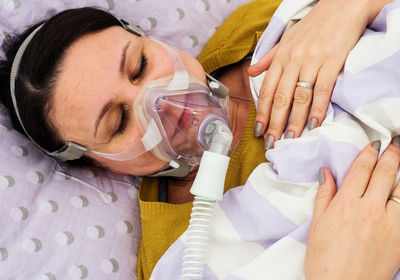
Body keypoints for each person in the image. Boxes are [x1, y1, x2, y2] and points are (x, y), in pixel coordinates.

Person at [0, 0, 398, 279]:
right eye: (119, 121)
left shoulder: (251, 32)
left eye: (140, 65)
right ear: (97, 162)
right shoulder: (176, 253)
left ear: (148, 38)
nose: (160, 102)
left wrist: (347, 6)